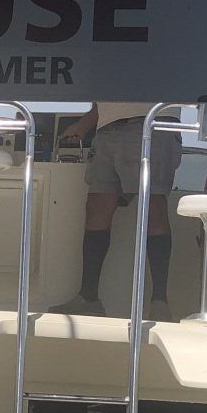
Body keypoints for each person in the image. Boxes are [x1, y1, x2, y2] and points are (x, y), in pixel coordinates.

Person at [51, 102, 181, 320]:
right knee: (96, 208)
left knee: (153, 207)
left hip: (153, 122)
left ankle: (160, 302)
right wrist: (82, 126)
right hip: (106, 130)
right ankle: (88, 297)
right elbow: (101, 102)